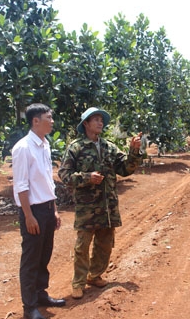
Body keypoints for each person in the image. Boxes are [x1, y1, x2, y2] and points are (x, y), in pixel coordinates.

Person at [59, 107, 142, 299]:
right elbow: (64, 175)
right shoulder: (75, 148)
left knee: (104, 243)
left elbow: (125, 168)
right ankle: (78, 283)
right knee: (82, 245)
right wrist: (87, 178)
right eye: (95, 119)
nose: (100, 122)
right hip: (87, 206)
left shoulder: (109, 147)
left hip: (107, 205)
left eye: (101, 120)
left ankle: (94, 275)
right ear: (85, 124)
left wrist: (134, 151)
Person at [12, 103, 66, 319]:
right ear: (35, 121)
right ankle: (30, 306)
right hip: (32, 210)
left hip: (46, 208)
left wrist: (54, 209)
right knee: (31, 259)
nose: (52, 121)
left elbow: (47, 181)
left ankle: (41, 294)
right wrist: (28, 215)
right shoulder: (23, 148)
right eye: (48, 117)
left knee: (45, 254)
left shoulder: (44, 144)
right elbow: (21, 186)